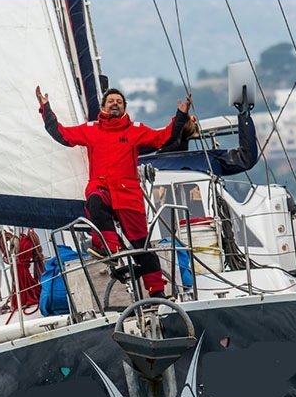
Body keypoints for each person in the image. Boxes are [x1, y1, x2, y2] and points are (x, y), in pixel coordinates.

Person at [35, 85, 192, 298]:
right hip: (102, 187)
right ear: (103, 107)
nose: (115, 103)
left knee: (141, 246)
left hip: (129, 195)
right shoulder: (91, 129)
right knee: (94, 201)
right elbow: (63, 135)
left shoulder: (136, 130)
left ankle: (157, 292)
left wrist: (181, 115)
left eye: (119, 101)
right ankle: (110, 247)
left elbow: (164, 138)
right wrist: (46, 109)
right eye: (111, 101)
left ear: (125, 107)